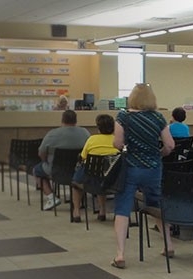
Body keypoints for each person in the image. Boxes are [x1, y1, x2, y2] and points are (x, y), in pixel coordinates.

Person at [110, 84, 174, 269]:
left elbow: (117, 143)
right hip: (154, 168)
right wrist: (157, 154)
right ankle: (168, 244)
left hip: (130, 167)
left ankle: (120, 254)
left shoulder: (123, 117)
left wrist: (127, 149)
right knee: (156, 204)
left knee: (122, 208)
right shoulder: (158, 117)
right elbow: (170, 145)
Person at [33, 110, 90, 211]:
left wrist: (45, 161)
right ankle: (78, 201)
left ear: (62, 119)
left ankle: (51, 197)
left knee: (37, 170)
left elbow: (41, 153)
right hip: (79, 171)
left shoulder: (52, 134)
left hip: (56, 170)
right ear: (76, 120)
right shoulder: (85, 133)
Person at [70, 114, 119, 222]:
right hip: (112, 180)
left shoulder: (92, 139)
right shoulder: (117, 141)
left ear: (98, 127)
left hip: (92, 179)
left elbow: (83, 157)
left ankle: (77, 212)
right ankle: (102, 210)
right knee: (103, 172)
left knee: (76, 182)